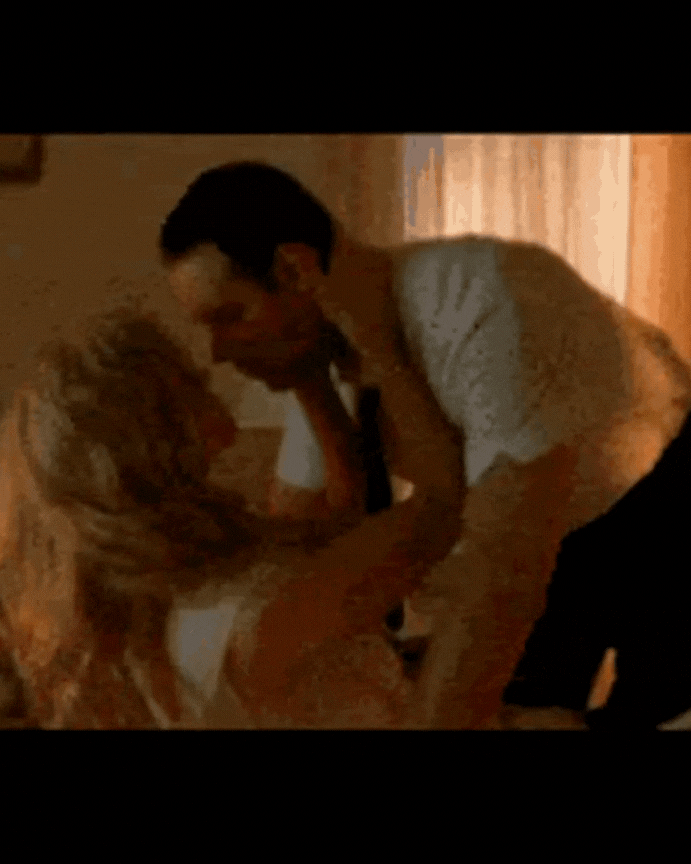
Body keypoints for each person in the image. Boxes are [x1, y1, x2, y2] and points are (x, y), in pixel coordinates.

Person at [159, 161, 691, 730]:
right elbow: (306, 555)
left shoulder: (478, 300)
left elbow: (498, 572)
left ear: (294, 270)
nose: (218, 352)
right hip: (561, 524)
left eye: (228, 317)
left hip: (667, 492)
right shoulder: (320, 356)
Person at [0, 309, 421, 729]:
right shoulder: (261, 608)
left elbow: (330, 530)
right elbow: (435, 521)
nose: (214, 362)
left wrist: (312, 386)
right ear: (160, 429)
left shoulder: (151, 612)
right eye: (192, 381)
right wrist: (382, 346)